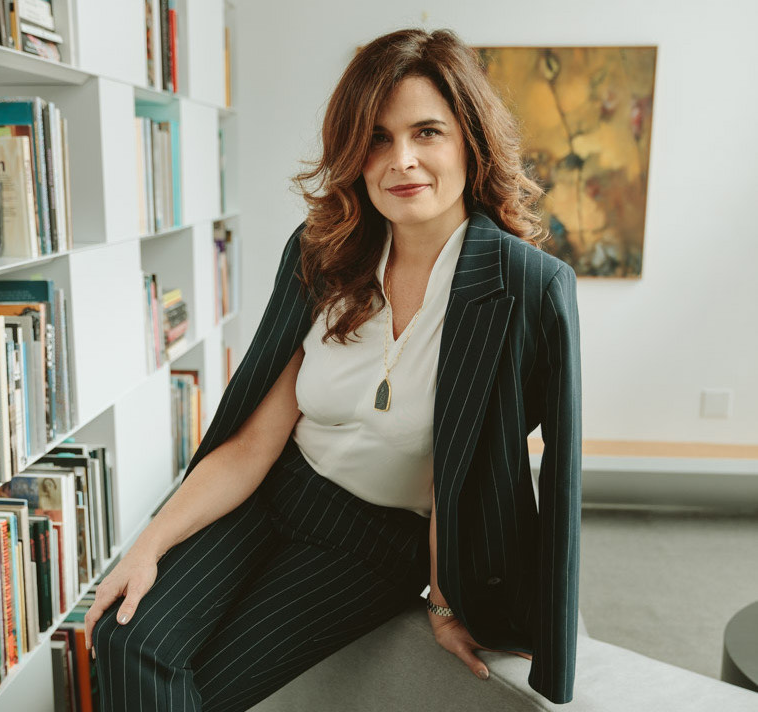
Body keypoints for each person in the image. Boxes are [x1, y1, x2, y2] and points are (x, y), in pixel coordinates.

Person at [86, 27, 582, 710]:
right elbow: (254, 442)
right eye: (377, 138)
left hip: (370, 544)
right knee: (124, 637)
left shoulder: (526, 288)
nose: (401, 160)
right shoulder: (325, 249)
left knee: (206, 690)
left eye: (426, 132)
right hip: (272, 494)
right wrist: (148, 544)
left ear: (469, 138)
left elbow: (470, 478)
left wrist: (445, 602)